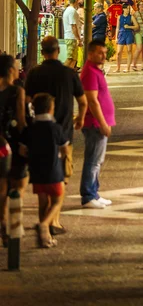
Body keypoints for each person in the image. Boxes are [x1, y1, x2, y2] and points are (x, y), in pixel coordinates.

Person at [25, 36, 87, 232]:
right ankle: (53, 222)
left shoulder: (34, 74)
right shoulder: (68, 73)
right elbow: (83, 101)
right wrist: (80, 119)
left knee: (43, 182)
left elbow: (26, 101)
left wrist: (28, 124)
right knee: (60, 180)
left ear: (42, 52)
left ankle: (45, 220)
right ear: (57, 52)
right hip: (64, 135)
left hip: (38, 135)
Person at [20, 93, 68, 248]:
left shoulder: (30, 129)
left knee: (42, 202)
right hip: (53, 170)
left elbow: (22, 151)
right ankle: (44, 224)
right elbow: (65, 148)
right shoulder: (55, 128)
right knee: (57, 200)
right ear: (50, 109)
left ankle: (45, 237)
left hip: (36, 171)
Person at [80, 40, 116, 209]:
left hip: (99, 122)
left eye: (104, 52)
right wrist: (102, 122)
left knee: (97, 160)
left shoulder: (96, 71)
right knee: (93, 160)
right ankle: (88, 195)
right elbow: (92, 100)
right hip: (94, 124)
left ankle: (94, 192)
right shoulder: (89, 73)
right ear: (90, 54)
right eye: (100, 53)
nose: (103, 56)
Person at [0, 54, 26, 247]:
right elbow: (21, 121)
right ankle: (10, 224)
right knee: (15, 185)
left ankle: (2, 220)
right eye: (16, 67)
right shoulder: (17, 91)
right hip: (10, 143)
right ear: (10, 71)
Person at [114, 5, 135, 73]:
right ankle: (118, 68)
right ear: (123, 9)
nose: (128, 10)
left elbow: (136, 26)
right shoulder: (119, 17)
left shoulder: (131, 17)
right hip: (121, 34)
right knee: (119, 52)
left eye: (129, 9)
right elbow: (117, 27)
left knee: (129, 51)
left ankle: (128, 68)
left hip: (129, 33)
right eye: (126, 9)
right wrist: (116, 37)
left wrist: (129, 27)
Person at [63, 0, 82, 68]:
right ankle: (60, 74)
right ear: (75, 1)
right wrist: (78, 39)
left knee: (74, 59)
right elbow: (73, 26)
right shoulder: (71, 11)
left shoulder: (70, 10)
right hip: (71, 37)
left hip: (72, 37)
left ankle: (69, 75)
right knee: (70, 58)